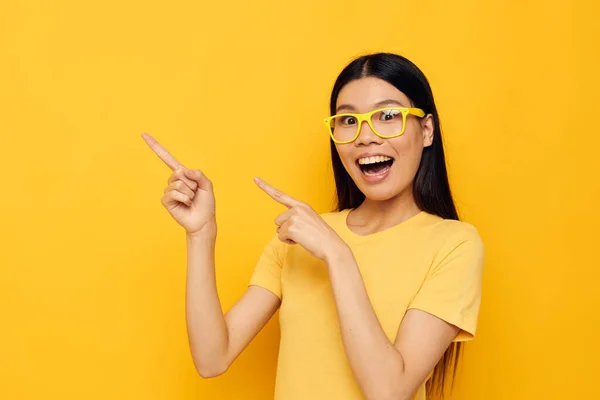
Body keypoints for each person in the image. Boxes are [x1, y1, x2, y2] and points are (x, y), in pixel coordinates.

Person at [142, 52, 484, 400]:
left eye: (388, 116)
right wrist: (200, 233)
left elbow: (388, 392)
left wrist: (337, 254)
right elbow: (212, 358)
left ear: (426, 130)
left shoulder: (454, 243)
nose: (365, 136)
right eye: (348, 121)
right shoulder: (300, 236)